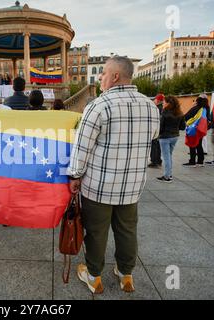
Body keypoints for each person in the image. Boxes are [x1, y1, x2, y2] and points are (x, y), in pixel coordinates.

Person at [68, 56, 159, 294]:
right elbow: (153, 136)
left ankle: (94, 276)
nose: (101, 77)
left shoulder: (99, 106)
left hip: (100, 186)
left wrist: (75, 176)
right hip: (131, 186)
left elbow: (82, 147)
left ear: (116, 76)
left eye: (104, 73)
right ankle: (125, 273)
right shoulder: (149, 105)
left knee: (97, 232)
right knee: (127, 229)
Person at [157, 96, 185, 183]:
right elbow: (183, 127)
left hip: (165, 137)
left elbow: (161, 127)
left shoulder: (165, 113)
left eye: (164, 102)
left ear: (168, 103)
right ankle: (169, 174)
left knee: (166, 157)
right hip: (175, 136)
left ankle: (167, 176)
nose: (163, 103)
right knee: (169, 156)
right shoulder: (180, 113)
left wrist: (158, 134)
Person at [182, 96, 210, 168]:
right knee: (199, 145)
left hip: (193, 129)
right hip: (200, 129)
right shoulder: (205, 109)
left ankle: (192, 162)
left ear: (197, 102)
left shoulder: (195, 108)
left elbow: (186, 116)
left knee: (192, 145)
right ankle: (200, 161)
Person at [148, 93, 164, 168]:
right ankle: (158, 160)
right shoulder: (162, 108)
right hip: (160, 130)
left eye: (155, 99)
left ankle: (154, 161)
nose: (154, 100)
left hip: (156, 129)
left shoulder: (157, 108)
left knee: (154, 145)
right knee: (157, 146)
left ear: (157, 100)